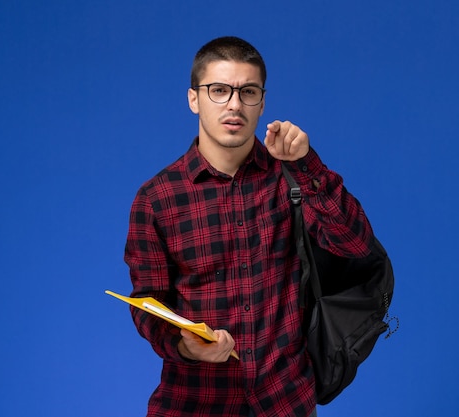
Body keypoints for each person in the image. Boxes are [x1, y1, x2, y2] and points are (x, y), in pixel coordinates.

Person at [123, 36, 373, 417]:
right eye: (219, 90)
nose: (234, 104)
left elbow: (354, 245)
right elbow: (148, 304)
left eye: (248, 91)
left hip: (284, 401)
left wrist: (308, 166)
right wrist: (185, 346)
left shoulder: (294, 178)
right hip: (194, 403)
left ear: (262, 103)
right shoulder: (157, 199)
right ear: (194, 99)